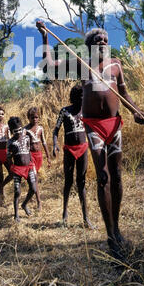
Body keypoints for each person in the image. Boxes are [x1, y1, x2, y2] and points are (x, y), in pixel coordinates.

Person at [36, 21, 144, 257]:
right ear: (88, 46)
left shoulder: (116, 65)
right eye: (97, 40)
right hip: (94, 127)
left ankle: (117, 229)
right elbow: (49, 66)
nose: (102, 42)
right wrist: (45, 36)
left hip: (114, 124)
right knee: (103, 176)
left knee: (117, 175)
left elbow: (125, 94)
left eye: (105, 39)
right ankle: (110, 236)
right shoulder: (82, 65)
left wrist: (136, 111)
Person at [53, 84, 94, 229]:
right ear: (74, 98)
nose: (82, 100)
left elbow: (93, 127)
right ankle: (64, 214)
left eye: (84, 97)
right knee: (68, 181)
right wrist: (54, 144)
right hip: (69, 149)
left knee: (81, 181)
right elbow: (56, 130)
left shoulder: (86, 110)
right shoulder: (64, 111)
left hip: (83, 148)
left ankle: (86, 218)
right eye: (80, 97)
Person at [7, 117, 37, 222]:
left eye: (20, 130)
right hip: (17, 169)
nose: (18, 132)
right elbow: (8, 157)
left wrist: (32, 165)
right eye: (16, 131)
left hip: (29, 167)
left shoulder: (27, 138)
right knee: (17, 191)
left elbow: (29, 151)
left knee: (33, 188)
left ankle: (24, 204)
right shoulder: (10, 142)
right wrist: (11, 168)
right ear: (11, 131)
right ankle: (16, 215)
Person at [25, 107, 51, 210]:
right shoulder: (25, 130)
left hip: (39, 155)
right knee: (34, 178)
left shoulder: (40, 129)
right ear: (28, 118)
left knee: (33, 178)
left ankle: (31, 194)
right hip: (30, 156)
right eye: (32, 118)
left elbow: (44, 142)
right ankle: (39, 202)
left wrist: (48, 157)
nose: (34, 119)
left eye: (36, 117)